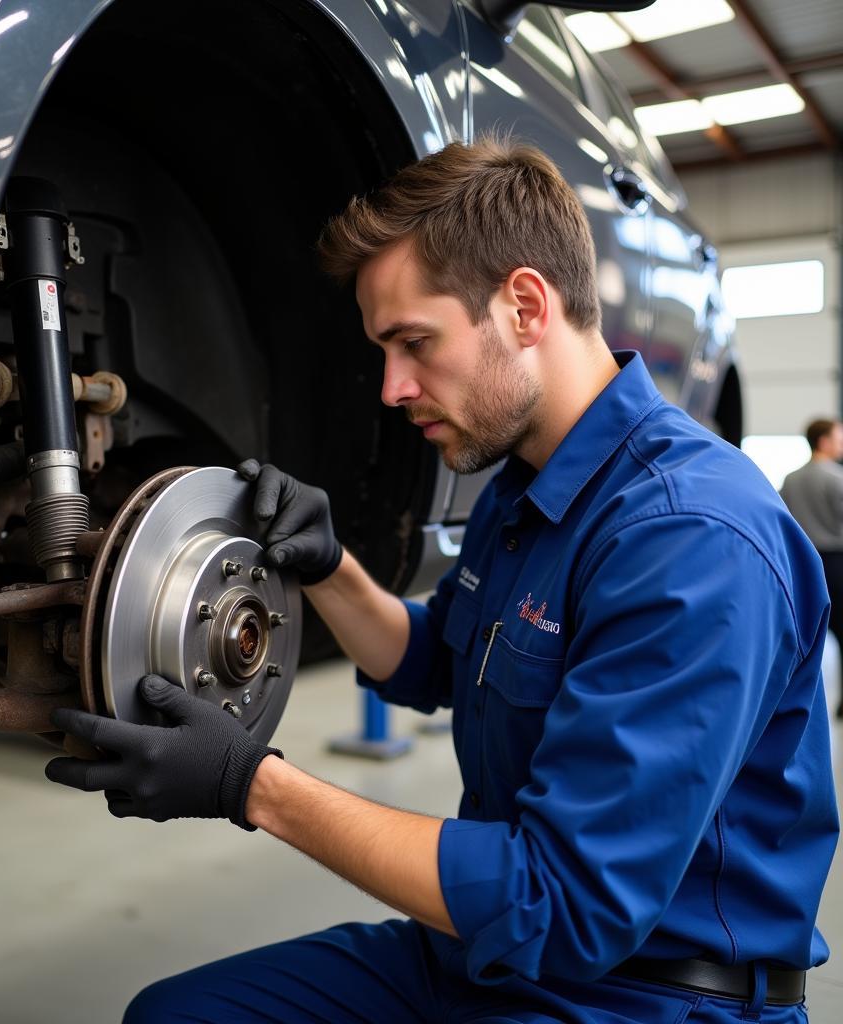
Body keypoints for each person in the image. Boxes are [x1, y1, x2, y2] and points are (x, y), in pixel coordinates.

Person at [46, 139, 838, 1023]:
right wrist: (329, 564)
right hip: (489, 957)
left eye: (413, 342)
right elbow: (435, 662)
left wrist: (250, 785)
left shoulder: (692, 538)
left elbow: (565, 904)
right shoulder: (527, 482)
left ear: (525, 305)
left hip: (645, 993)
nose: (391, 386)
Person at [780, 418, 843, 716]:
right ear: (824, 442)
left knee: (809, 631)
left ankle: (802, 697)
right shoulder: (836, 478)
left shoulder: (791, 479)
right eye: (838, 437)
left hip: (804, 562)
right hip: (837, 561)